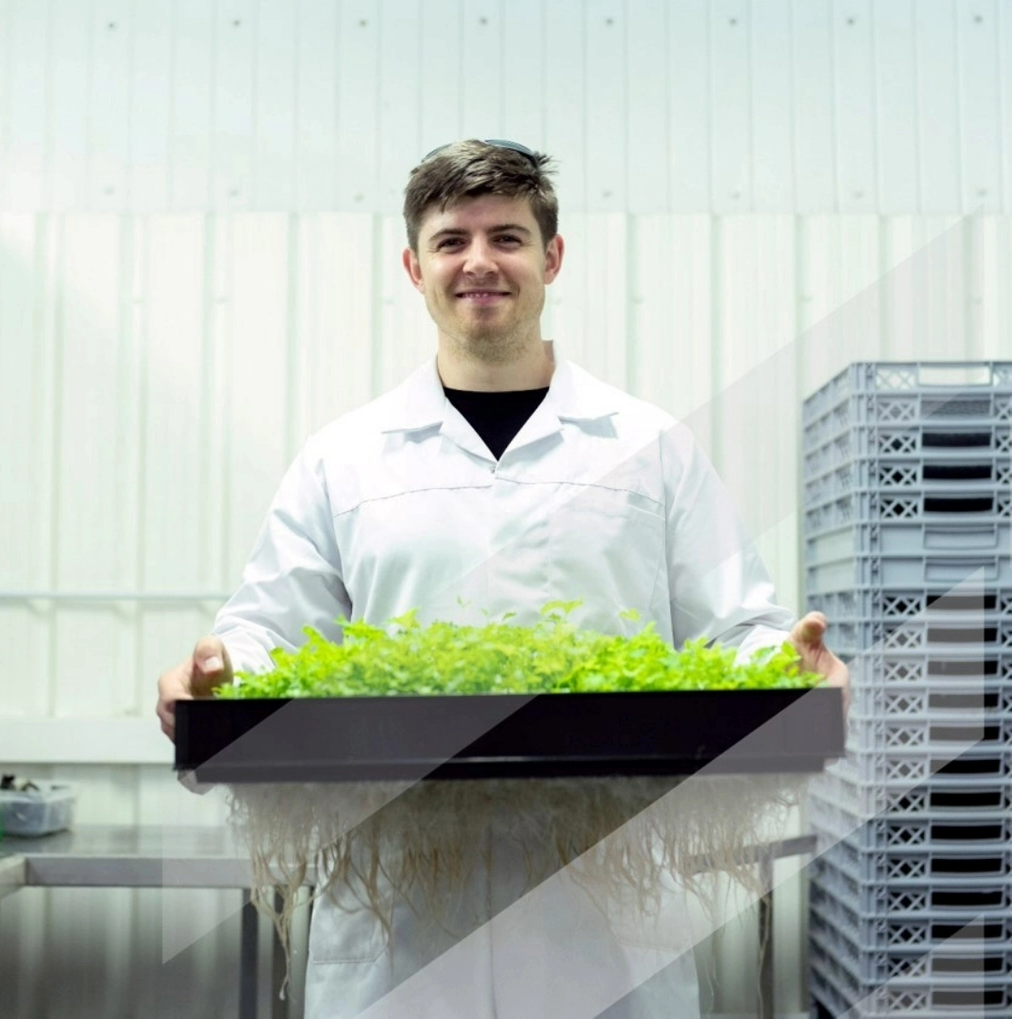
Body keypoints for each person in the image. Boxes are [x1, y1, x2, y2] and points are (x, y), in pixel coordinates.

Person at [157, 139, 849, 1017]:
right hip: (399, 923)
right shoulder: (343, 458)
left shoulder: (648, 447)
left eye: (507, 237)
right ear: (414, 267)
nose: (478, 261)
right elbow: (265, 635)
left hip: (601, 924)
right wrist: (210, 679)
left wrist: (788, 668)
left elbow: (734, 629)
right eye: (451, 241)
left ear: (551, 258)